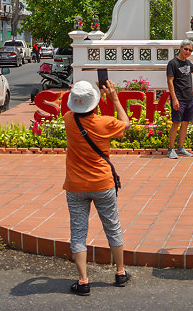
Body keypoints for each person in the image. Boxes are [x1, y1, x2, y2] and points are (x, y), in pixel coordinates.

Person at [63, 80, 131, 295]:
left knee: (78, 232)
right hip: (103, 183)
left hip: (75, 185)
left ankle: (83, 281)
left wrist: (89, 97)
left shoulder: (68, 119)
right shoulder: (105, 123)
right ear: (95, 103)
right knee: (112, 226)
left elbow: (81, 111)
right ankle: (120, 272)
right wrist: (114, 99)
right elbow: (126, 123)